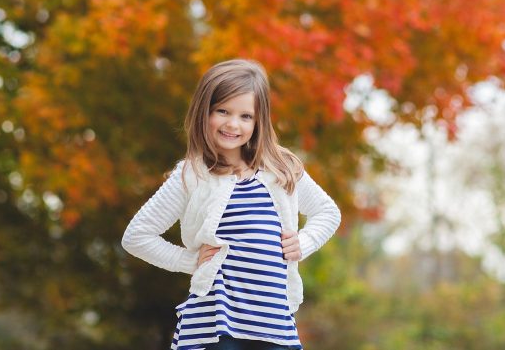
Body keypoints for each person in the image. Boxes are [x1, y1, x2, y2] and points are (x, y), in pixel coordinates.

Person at [122, 59, 341, 350]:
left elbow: (328, 212)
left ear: (259, 121)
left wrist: (304, 241)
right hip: (215, 323)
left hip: (273, 322)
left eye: (245, 116)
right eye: (222, 111)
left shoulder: (281, 169)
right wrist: (189, 260)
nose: (232, 124)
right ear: (204, 111)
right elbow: (137, 236)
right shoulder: (192, 174)